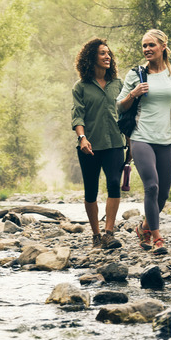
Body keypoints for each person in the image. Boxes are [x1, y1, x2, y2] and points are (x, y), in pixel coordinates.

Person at [117, 29, 171, 255]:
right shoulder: (136, 74)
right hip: (141, 137)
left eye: (151, 45)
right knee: (151, 186)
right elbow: (119, 105)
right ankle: (157, 237)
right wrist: (134, 93)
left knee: (163, 194)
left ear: (163, 46)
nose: (147, 49)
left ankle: (144, 228)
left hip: (166, 139)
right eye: (144, 46)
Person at [71, 38, 126, 249]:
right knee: (91, 190)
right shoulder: (81, 87)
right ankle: (95, 234)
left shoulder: (118, 85)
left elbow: (126, 116)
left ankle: (108, 233)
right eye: (102, 53)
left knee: (114, 183)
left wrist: (129, 144)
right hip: (89, 146)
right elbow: (77, 116)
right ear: (91, 58)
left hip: (114, 143)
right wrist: (82, 138)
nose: (107, 57)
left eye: (109, 54)